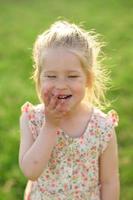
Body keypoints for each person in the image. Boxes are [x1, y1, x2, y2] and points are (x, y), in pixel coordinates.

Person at [19, 20, 120, 200]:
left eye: (72, 76)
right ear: (39, 78)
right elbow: (31, 171)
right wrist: (50, 126)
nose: (60, 85)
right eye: (51, 76)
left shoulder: (102, 127)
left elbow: (109, 181)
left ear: (88, 79)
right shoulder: (32, 119)